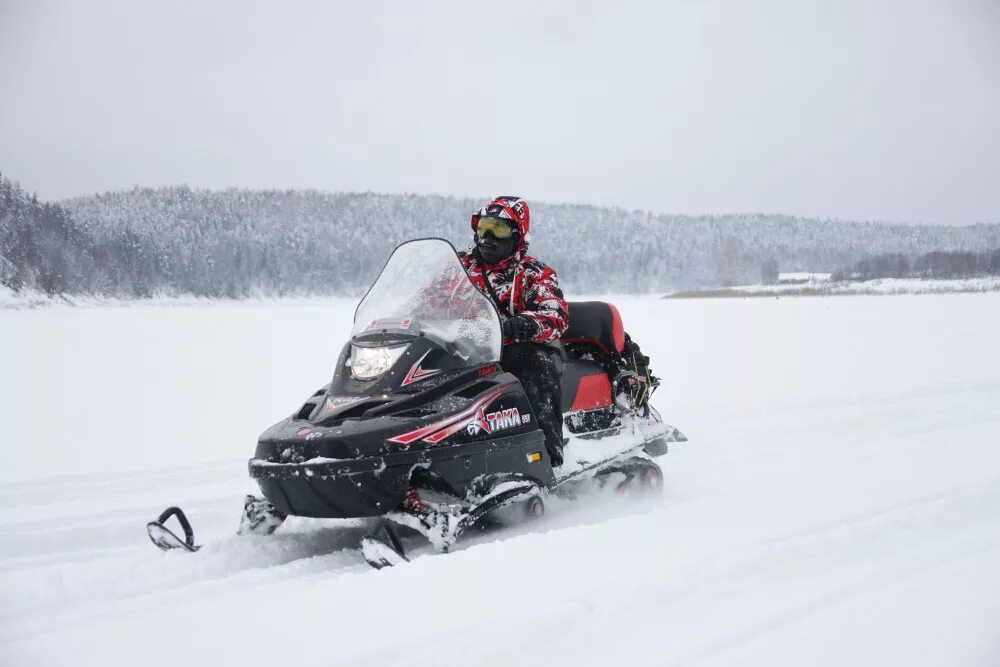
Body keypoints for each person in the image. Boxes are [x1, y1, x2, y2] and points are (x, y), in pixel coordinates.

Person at [459, 196, 569, 467]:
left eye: (499, 229)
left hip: (511, 347)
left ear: (517, 235)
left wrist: (524, 323)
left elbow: (555, 313)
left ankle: (547, 450)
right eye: (484, 227)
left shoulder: (534, 273)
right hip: (464, 346)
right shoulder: (459, 268)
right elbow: (427, 299)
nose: (488, 236)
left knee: (531, 360)